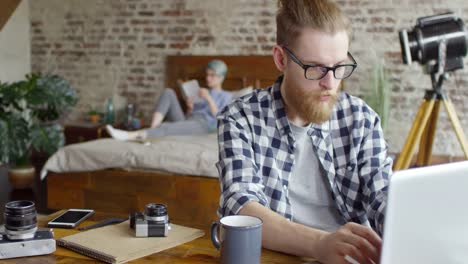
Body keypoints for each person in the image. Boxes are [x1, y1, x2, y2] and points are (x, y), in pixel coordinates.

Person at [216, 1, 393, 263]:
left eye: (339, 66)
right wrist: (321, 244)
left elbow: (383, 194)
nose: (330, 84)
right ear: (281, 59)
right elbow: (241, 207)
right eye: (316, 68)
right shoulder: (241, 119)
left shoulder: (362, 119)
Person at [106, 59, 232, 140]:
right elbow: (190, 115)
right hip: (189, 120)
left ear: (221, 77)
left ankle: (130, 135)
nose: (208, 78)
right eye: (207, 74)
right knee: (168, 92)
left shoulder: (227, 96)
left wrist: (209, 98)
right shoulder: (201, 92)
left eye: (212, 75)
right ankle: (152, 128)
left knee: (167, 126)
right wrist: (190, 107)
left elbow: (221, 119)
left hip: (203, 125)